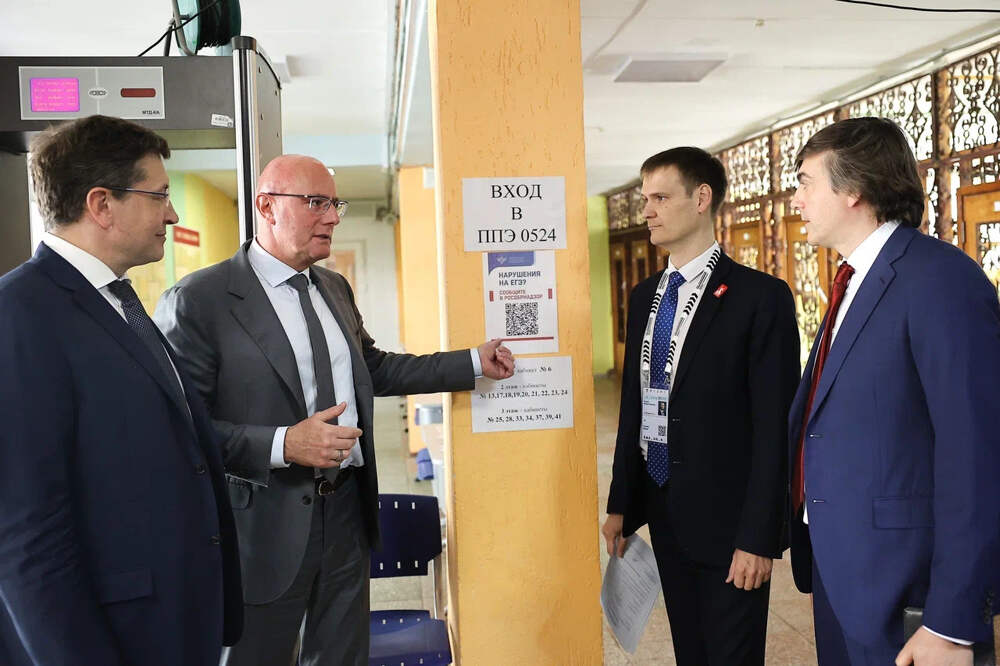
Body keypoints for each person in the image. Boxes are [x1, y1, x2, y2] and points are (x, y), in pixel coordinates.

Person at [154, 154, 514, 665]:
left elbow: (374, 368)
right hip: (262, 524)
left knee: (342, 655)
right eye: (315, 203)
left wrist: (471, 363)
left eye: (334, 204)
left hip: (345, 510)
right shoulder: (199, 300)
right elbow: (182, 430)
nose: (332, 217)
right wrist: (284, 444)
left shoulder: (333, 288)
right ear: (267, 207)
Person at [0, 115, 242, 665]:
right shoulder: (19, 315)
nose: (172, 214)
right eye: (159, 196)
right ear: (102, 204)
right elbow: (25, 534)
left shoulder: (117, 302)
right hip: (110, 637)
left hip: (170, 620)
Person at [787, 116, 1000, 665]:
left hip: (908, 589)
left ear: (853, 190)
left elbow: (976, 456)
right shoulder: (854, 279)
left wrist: (952, 622)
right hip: (843, 571)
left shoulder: (939, 279)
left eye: (806, 182)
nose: (796, 200)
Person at [601, 147, 800, 665]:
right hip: (665, 510)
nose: (647, 211)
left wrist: (759, 538)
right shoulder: (645, 296)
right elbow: (635, 405)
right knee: (691, 652)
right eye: (645, 199)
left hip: (731, 525)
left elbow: (774, 428)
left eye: (660, 198)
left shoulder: (760, 298)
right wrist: (621, 502)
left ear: (701, 198)